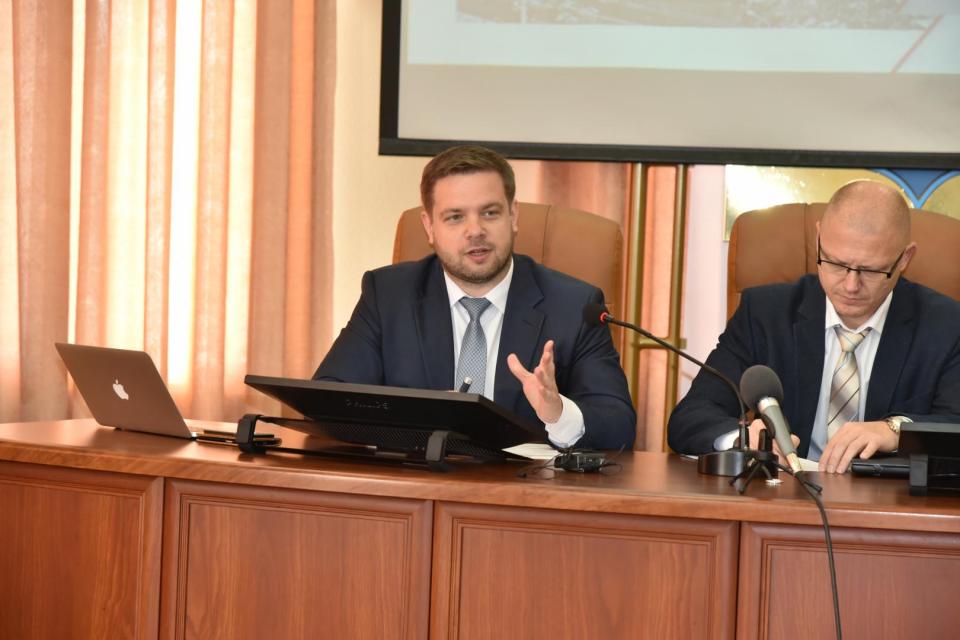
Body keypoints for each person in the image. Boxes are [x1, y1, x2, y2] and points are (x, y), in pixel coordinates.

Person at [314, 145, 636, 450]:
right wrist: (421, 417)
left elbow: (619, 425)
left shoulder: (575, 306)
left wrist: (558, 413)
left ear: (513, 216)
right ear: (429, 226)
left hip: (522, 487)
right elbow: (328, 401)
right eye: (455, 217)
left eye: (490, 213)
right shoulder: (387, 296)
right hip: (418, 482)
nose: (475, 230)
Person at [668, 180, 960, 473]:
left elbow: (954, 422)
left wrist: (896, 431)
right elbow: (692, 417)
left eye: (871, 270)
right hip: (785, 492)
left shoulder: (946, 326)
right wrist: (742, 441)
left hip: (885, 498)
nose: (850, 285)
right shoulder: (765, 314)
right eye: (835, 263)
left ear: (905, 258)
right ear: (819, 239)